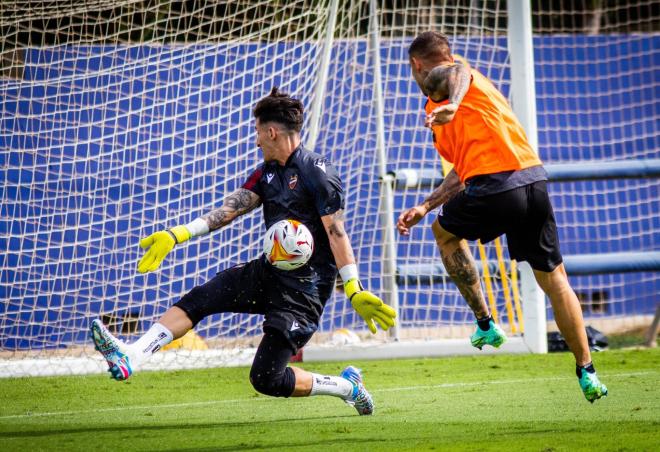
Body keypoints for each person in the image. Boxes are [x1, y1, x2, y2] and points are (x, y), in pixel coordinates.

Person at [90, 87, 397, 415]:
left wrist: (352, 288)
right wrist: (176, 234)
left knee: (266, 378)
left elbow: (336, 232)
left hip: (303, 293)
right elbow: (229, 210)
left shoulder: (316, 173)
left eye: (257, 133)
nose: (256, 141)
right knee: (201, 297)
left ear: (271, 131)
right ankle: (133, 355)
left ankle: (347, 387)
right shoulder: (267, 173)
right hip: (267, 274)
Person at [396, 31, 607, 403]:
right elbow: (461, 172)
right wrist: (426, 204)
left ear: (416, 64)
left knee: (443, 235)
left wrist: (452, 104)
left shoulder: (442, 80)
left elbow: (455, 71)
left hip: (497, 188)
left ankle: (485, 324)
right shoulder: (481, 95)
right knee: (555, 279)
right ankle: (587, 370)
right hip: (533, 183)